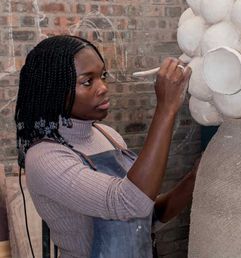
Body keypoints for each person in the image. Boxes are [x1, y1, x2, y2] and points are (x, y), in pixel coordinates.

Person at [14, 35, 196, 258]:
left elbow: (145, 216)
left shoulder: (109, 136)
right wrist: (166, 109)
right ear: (53, 90)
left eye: (103, 76)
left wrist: (194, 179)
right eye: (87, 81)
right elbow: (129, 203)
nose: (103, 88)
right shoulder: (46, 157)